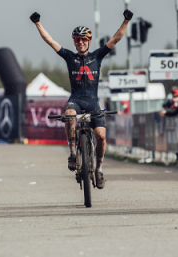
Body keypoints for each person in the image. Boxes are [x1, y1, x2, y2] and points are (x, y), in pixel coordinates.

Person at [30, 9, 133, 189]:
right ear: (74, 42)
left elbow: (116, 38)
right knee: (69, 114)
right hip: (76, 100)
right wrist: (38, 23)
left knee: (101, 135)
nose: (80, 43)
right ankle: (72, 153)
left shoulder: (97, 56)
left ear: (89, 41)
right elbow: (50, 41)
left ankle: (99, 169)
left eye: (84, 40)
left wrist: (126, 20)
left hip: (93, 102)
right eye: (77, 40)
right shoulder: (70, 57)